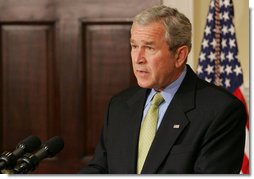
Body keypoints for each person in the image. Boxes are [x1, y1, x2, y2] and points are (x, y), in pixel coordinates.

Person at [80, 5, 246, 174]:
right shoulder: (119, 105)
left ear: (179, 55)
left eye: (149, 48)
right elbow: (100, 167)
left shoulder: (221, 111)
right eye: (134, 46)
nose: (138, 58)